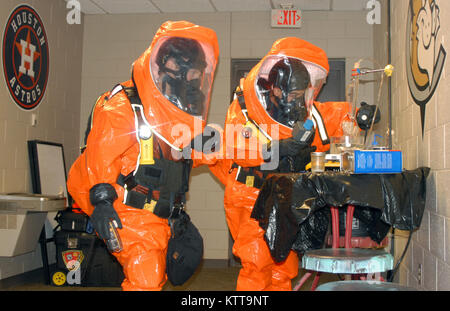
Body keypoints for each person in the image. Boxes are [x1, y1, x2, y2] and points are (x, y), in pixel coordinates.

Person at [67, 21, 219, 291]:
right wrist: (101, 201)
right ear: (163, 67)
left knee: (154, 277)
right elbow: (100, 158)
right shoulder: (122, 106)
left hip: (159, 215)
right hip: (125, 207)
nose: (187, 81)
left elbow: (182, 154)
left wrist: (231, 149)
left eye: (193, 74)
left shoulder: (177, 111)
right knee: (146, 278)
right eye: (181, 72)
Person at [208, 37, 354, 291]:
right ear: (276, 90)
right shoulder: (244, 109)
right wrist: (281, 148)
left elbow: (334, 113)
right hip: (250, 196)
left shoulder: (305, 110)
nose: (299, 101)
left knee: (283, 268)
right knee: (257, 265)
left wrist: (358, 114)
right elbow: (239, 150)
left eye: (303, 94)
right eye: (295, 95)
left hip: (284, 197)